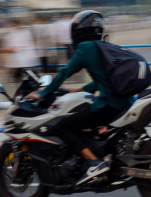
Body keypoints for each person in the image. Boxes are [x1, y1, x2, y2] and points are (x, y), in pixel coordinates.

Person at [26, 10, 134, 186]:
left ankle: (94, 163)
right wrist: (80, 89)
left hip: (109, 105)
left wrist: (42, 93)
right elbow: (103, 80)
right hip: (125, 102)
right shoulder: (104, 46)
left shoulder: (86, 48)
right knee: (84, 122)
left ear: (78, 31)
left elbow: (64, 72)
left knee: (64, 125)